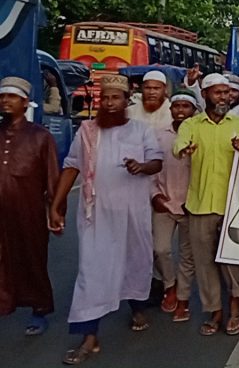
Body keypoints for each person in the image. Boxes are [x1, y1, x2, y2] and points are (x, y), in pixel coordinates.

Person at [50, 75, 162, 365]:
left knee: (134, 261)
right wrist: (57, 203)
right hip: (94, 215)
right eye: (106, 98)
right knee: (92, 271)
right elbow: (72, 166)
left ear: (127, 101)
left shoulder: (141, 131)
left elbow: (156, 162)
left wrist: (142, 166)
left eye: (116, 98)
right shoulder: (87, 130)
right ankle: (89, 336)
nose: (110, 103)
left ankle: (137, 306)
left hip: (131, 214)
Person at [174, 73, 239, 337]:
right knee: (204, 262)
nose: (224, 97)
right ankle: (215, 311)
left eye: (227, 93)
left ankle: (235, 306)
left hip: (232, 204)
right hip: (199, 204)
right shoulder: (192, 124)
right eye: (218, 93)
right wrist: (185, 150)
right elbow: (179, 146)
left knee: (230, 260)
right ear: (206, 94)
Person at [0, 77, 59, 336]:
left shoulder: (40, 137)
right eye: (2, 97)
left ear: (25, 103)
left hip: (28, 213)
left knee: (32, 260)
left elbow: (52, 179)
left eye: (11, 97)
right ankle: (5, 304)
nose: (5, 101)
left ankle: (40, 310)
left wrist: (55, 211)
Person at [152, 90, 198, 323]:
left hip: (193, 205)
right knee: (161, 249)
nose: (180, 110)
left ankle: (182, 299)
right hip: (165, 201)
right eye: (176, 106)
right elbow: (151, 167)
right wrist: (154, 195)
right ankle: (170, 284)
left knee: (188, 257)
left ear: (194, 110)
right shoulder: (159, 136)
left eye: (185, 107)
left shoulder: (200, 135)